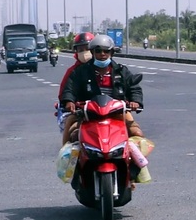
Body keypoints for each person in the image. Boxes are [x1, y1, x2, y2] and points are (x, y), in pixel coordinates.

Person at [60, 34, 150, 180]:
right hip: (86, 113)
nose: (102, 54)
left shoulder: (121, 71)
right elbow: (69, 89)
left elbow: (133, 87)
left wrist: (136, 102)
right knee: (71, 132)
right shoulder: (80, 72)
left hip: (118, 112)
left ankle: (134, 171)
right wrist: (69, 101)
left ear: (111, 53)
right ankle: (70, 169)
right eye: (98, 51)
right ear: (93, 52)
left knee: (137, 133)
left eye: (106, 51)